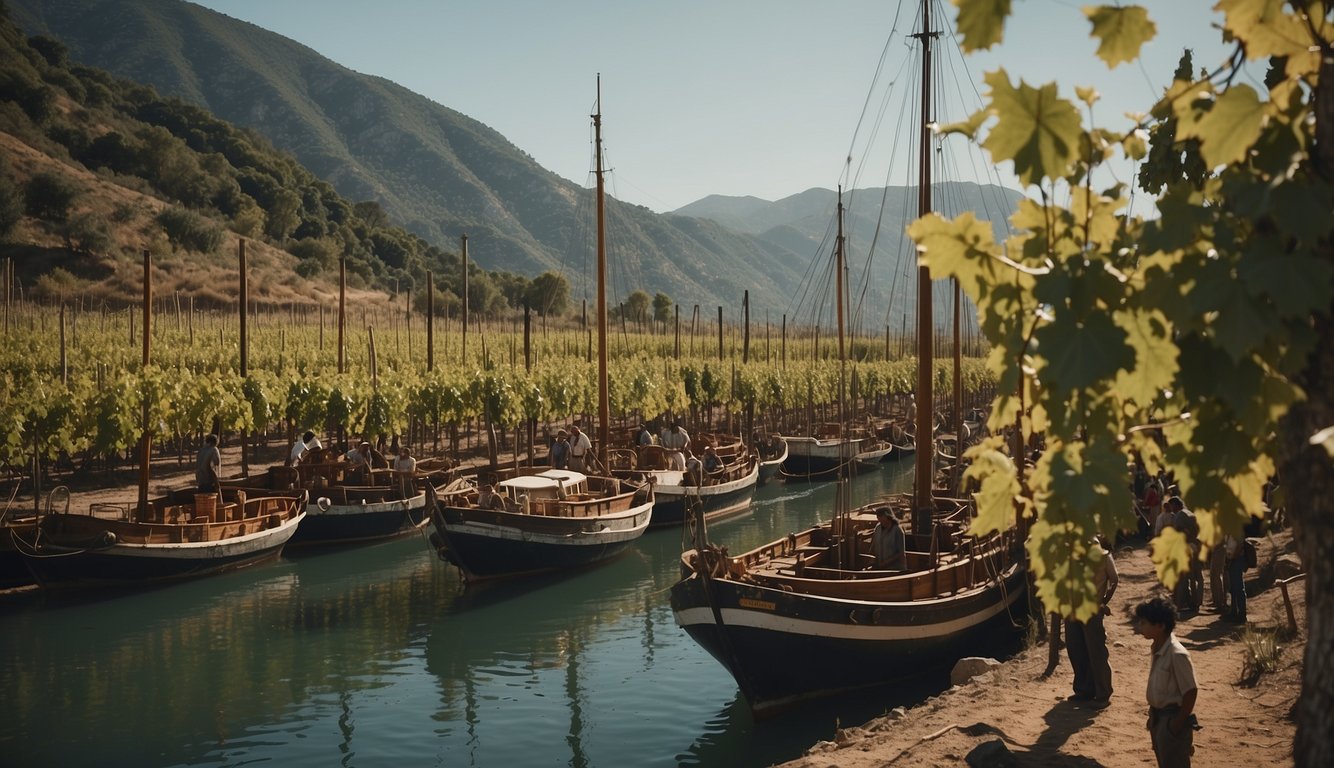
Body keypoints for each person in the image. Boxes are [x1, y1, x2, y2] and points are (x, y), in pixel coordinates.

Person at [1133, 596, 1198, 767]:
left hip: (1172, 720)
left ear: (1160, 626)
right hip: (1158, 719)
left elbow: (1191, 691)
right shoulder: (1157, 647)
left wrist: (1176, 725)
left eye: (1144, 623)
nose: (1140, 627)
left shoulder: (1177, 654)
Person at [1065, 536, 1118, 707]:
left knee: (1097, 653)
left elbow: (1114, 580)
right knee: (1076, 650)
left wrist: (1103, 602)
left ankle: (1103, 693)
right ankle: (1083, 690)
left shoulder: (1104, 558)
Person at [1223, 534, 1247, 623]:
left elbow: (1240, 545)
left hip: (1236, 559)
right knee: (1233, 587)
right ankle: (1234, 611)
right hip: (1230, 559)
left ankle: (1242, 614)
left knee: (1238, 587)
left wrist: (1233, 558)